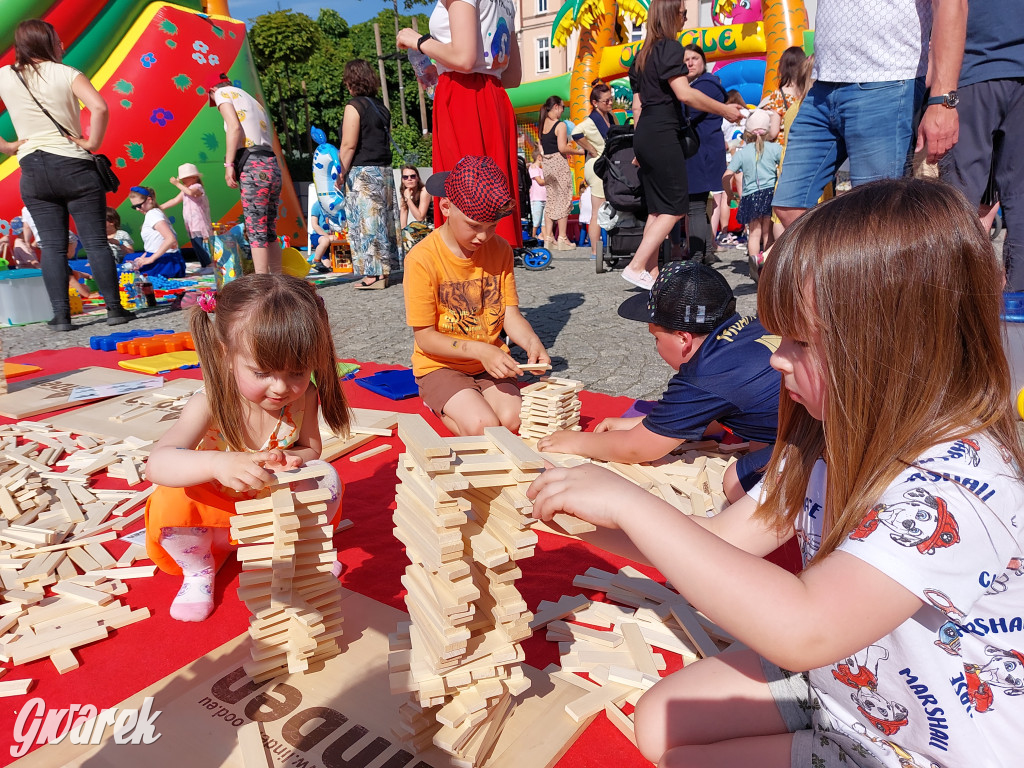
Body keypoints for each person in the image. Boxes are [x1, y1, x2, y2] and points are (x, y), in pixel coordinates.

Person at [528, 177, 1024, 768]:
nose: (775, 356)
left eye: (801, 341)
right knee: (660, 724)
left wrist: (629, 502)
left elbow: (805, 627)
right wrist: (578, 527)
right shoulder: (821, 429)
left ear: (894, 349)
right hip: (847, 680)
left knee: (684, 758)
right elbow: (718, 542)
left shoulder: (956, 489)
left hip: (935, 739)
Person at [144, 274, 351, 622]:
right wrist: (216, 465)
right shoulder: (210, 401)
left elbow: (310, 448)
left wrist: (290, 458)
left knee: (325, 477)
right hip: (214, 524)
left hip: (268, 508)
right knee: (170, 497)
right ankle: (198, 570)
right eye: (262, 372)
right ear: (226, 354)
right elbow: (157, 464)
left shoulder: (306, 398)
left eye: (298, 372)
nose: (282, 388)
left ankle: (306, 548)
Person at [538, 261, 779, 502]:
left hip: (812, 445)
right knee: (758, 442)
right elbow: (714, 412)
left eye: (655, 338)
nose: (655, 346)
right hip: (803, 422)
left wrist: (576, 440)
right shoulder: (749, 327)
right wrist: (645, 423)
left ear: (683, 338)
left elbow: (637, 448)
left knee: (737, 482)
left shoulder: (704, 374)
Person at [772, 0, 967, 231]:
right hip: (824, 83)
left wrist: (943, 100)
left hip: (886, 78)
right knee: (789, 204)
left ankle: (877, 265)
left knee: (875, 217)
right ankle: (843, 266)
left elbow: (952, 4)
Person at [403, 156, 551, 437]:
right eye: (473, 225)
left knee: (512, 420)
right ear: (446, 207)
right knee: (483, 426)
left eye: (492, 226)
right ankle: (436, 400)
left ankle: (466, 401)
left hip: (489, 362)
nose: (483, 237)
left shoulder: (501, 250)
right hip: (440, 364)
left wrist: (532, 342)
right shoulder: (422, 258)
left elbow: (511, 314)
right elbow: (425, 337)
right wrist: (481, 350)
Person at [0, 19, 130, 331]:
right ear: (46, 42)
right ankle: (114, 310)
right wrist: (92, 143)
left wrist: (7, 146)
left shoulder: (5, 75)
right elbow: (99, 107)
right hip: (73, 165)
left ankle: (61, 316)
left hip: (32, 167)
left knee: (52, 245)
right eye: (57, 39)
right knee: (96, 240)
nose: (62, 44)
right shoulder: (67, 73)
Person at [621, 0, 742, 290]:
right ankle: (636, 266)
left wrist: (640, 145)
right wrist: (724, 109)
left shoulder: (642, 55)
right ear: (672, 14)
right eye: (684, 14)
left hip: (646, 132)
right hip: (663, 132)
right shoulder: (670, 48)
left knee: (656, 209)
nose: (686, 19)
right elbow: (684, 94)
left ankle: (650, 274)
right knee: (675, 208)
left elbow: (637, 105)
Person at [396, 0, 524, 248]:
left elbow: (464, 59)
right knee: (490, 198)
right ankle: (493, 278)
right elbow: (512, 75)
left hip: (461, 97)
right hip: (494, 97)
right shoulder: (507, 3)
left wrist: (418, 41)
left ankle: (466, 281)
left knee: (463, 199)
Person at [940, 0, 1024, 291]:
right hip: (1005, 69)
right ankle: (1014, 301)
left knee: (958, 199)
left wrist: (941, 95)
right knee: (1018, 198)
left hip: (973, 69)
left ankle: (959, 297)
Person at [205, 72, 283, 274]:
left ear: (212, 90)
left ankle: (262, 283)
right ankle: (278, 280)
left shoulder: (222, 93)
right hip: (271, 163)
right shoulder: (249, 98)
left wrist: (229, 164)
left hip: (253, 165)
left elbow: (234, 127)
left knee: (255, 229)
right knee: (269, 230)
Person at [335, 59, 398, 290]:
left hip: (363, 172)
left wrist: (340, 173)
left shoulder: (354, 106)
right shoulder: (380, 107)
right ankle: (385, 270)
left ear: (351, 81)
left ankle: (373, 275)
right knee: (382, 220)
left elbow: (349, 144)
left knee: (367, 222)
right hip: (384, 171)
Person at [682, 44, 729, 265]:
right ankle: (707, 250)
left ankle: (697, 255)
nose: (690, 63)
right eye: (686, 60)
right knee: (701, 203)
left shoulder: (705, 85)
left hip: (700, 151)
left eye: (694, 58)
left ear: (703, 61)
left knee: (696, 205)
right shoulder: (702, 84)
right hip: (705, 149)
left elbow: (688, 113)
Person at [723, 110, 782, 280]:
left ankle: (753, 269)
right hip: (770, 193)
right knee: (767, 234)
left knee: (754, 234)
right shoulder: (775, 149)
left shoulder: (742, 153)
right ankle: (767, 267)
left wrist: (729, 194)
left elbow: (726, 176)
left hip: (750, 197)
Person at [572, 81, 615, 258]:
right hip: (596, 166)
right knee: (597, 210)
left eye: (611, 99)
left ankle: (607, 248)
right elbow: (575, 132)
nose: (610, 103)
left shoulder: (610, 116)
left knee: (610, 207)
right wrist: (589, 148)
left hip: (608, 165)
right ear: (595, 103)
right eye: (606, 101)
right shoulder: (591, 121)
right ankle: (595, 251)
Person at [538, 95, 584, 251]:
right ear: (556, 106)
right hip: (558, 162)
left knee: (551, 200)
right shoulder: (560, 125)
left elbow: (542, 147)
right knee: (564, 198)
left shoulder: (542, 124)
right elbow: (562, 148)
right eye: (563, 107)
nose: (563, 110)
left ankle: (549, 237)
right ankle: (563, 238)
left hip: (547, 164)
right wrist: (578, 151)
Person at [161, 162, 213, 274]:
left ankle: (209, 264)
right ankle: (204, 264)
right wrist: (160, 207)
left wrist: (177, 184)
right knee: (195, 244)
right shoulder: (185, 189)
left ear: (194, 177)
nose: (183, 181)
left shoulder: (197, 187)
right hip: (190, 223)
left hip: (198, 222)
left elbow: (191, 193)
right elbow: (175, 200)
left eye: (185, 179)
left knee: (200, 244)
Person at [126, 186, 186, 278]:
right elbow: (154, 243)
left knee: (121, 275)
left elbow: (170, 239)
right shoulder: (155, 212)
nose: (138, 209)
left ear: (149, 199)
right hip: (170, 260)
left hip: (165, 262)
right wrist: (142, 258)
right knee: (129, 261)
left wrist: (151, 259)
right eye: (134, 207)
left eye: (139, 205)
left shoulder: (152, 214)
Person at [758, 45, 805, 145]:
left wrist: (760, 136)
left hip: (783, 149)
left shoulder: (779, 96)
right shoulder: (807, 94)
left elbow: (773, 132)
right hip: (802, 144)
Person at [399, 165, 433, 253]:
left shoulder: (424, 191)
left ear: (417, 178)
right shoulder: (405, 193)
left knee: (413, 226)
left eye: (413, 176)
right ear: (402, 180)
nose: (409, 179)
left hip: (435, 226)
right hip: (424, 227)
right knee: (402, 234)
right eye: (405, 177)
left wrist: (408, 199)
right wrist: (402, 234)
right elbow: (403, 220)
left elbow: (420, 217)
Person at [528, 152, 546, 237]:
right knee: (536, 220)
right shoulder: (533, 168)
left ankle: (544, 237)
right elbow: (540, 181)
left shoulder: (541, 169)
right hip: (537, 198)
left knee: (544, 221)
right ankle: (533, 236)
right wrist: (550, 180)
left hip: (544, 198)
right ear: (539, 157)